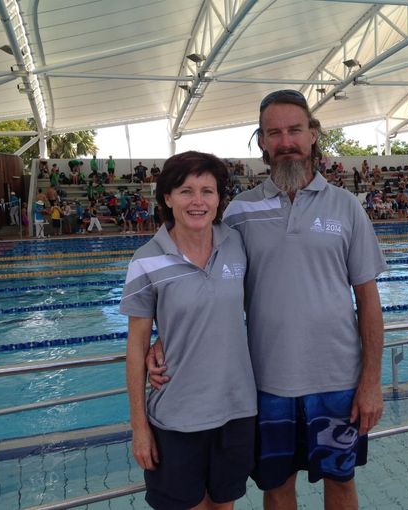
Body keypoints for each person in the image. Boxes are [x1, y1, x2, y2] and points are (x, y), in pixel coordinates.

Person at [148, 90, 386, 510]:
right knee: (275, 489)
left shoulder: (347, 207)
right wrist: (167, 338)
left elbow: (368, 301)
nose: (286, 141)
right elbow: (213, 285)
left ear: (313, 135)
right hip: (264, 383)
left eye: (295, 129)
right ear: (262, 142)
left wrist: (370, 382)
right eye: (274, 133)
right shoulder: (238, 212)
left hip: (338, 381)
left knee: (341, 483)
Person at [121, 151, 256, 510]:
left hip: (235, 409)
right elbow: (135, 347)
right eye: (186, 191)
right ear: (167, 197)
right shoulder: (145, 259)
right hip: (177, 416)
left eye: (207, 191)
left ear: (218, 199)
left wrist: (167, 338)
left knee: (224, 506)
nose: (198, 201)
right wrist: (139, 428)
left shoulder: (236, 244)